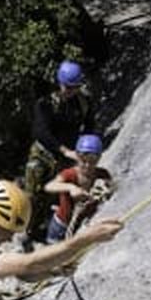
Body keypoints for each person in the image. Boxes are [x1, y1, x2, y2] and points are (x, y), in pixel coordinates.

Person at [23, 60, 97, 240]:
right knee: (34, 195)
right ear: (60, 84)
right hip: (44, 155)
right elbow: (40, 131)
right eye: (68, 87)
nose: (70, 91)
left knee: (57, 193)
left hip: (67, 155)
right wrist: (64, 150)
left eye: (74, 87)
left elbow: (89, 125)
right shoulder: (46, 104)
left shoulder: (82, 103)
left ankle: (51, 228)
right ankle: (27, 230)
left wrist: (83, 149)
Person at [43, 134, 113, 244]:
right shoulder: (69, 174)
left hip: (83, 224)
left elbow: (111, 187)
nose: (87, 165)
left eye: (92, 161)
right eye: (83, 160)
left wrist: (106, 189)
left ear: (99, 158)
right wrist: (71, 187)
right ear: (77, 157)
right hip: (61, 225)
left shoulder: (102, 175)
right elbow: (49, 186)